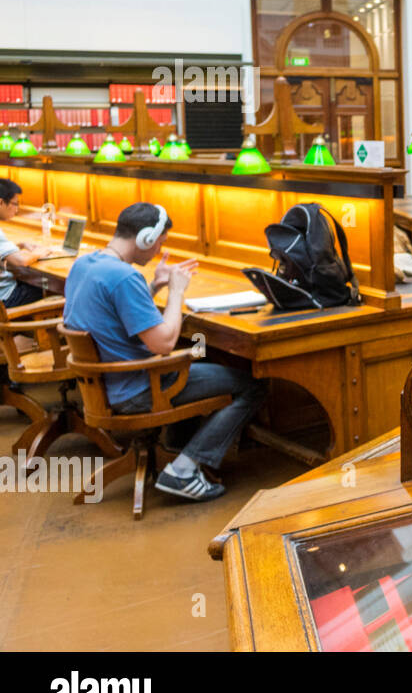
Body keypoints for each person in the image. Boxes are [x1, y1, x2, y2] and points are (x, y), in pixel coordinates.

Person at [62, 203, 269, 502]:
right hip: (137, 390)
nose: (160, 249)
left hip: (105, 387)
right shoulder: (124, 277)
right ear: (146, 237)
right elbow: (163, 344)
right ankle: (184, 470)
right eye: (160, 241)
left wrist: (156, 285)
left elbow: (117, 313)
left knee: (200, 354)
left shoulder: (86, 264)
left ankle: (176, 444)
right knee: (252, 385)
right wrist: (177, 293)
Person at [0, 179, 53, 308]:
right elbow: (20, 261)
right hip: (5, 300)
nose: (17, 210)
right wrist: (38, 252)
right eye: (15, 204)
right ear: (1, 202)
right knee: (50, 290)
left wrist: (19, 245)